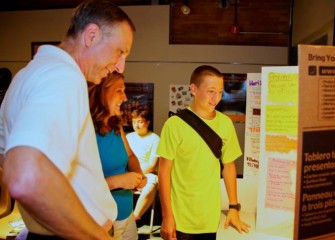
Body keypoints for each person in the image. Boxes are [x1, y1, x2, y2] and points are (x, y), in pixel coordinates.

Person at [0, 0, 135, 239]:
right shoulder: (63, 76)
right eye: (120, 51)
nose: (119, 65)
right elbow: (25, 176)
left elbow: (5, 157)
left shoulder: (26, 75)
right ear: (91, 35)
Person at [157, 65, 250, 240]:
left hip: (210, 218)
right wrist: (167, 216)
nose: (216, 98)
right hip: (180, 218)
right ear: (193, 89)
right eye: (211, 91)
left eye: (221, 92)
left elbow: (229, 166)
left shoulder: (225, 124)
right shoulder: (174, 124)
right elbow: (163, 172)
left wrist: (233, 207)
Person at [89, 72, 147, 240]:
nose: (125, 96)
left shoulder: (116, 125)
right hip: (102, 221)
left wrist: (138, 174)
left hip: (126, 213)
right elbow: (76, 187)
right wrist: (118, 182)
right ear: (101, 93)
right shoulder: (85, 131)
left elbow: (130, 156)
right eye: (119, 91)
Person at [126, 109, 160, 221]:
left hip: (146, 172)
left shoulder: (155, 139)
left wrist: (138, 175)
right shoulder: (128, 137)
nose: (136, 125)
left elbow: (151, 165)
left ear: (147, 123)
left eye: (140, 122)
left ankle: (134, 217)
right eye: (134, 122)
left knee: (151, 184)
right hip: (127, 172)